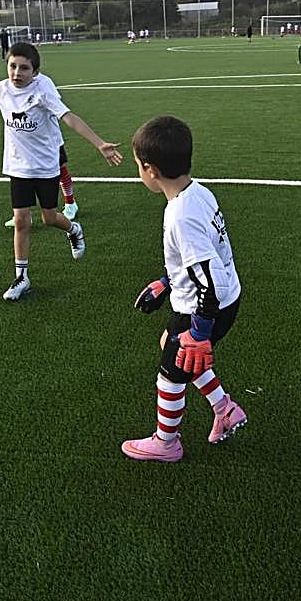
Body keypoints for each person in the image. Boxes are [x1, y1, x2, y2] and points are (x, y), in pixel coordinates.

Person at [0, 42, 122, 301]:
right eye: (12, 66)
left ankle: (73, 230)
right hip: (17, 166)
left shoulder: (43, 91)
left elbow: (69, 117)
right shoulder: (2, 89)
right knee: (22, 221)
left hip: (46, 166)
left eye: (24, 68)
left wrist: (99, 143)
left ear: (35, 72)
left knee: (49, 219)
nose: (17, 73)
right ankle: (21, 277)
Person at [121, 115, 246, 462]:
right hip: (222, 299)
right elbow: (197, 257)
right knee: (170, 346)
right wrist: (165, 282)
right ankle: (224, 408)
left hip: (205, 307)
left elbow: (206, 278)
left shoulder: (181, 215)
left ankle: (166, 442)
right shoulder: (198, 192)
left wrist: (200, 333)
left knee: (171, 373)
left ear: (150, 170)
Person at [4, 146, 78, 227]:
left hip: (47, 137)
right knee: (22, 167)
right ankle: (22, 214)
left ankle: (70, 202)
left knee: (59, 164)